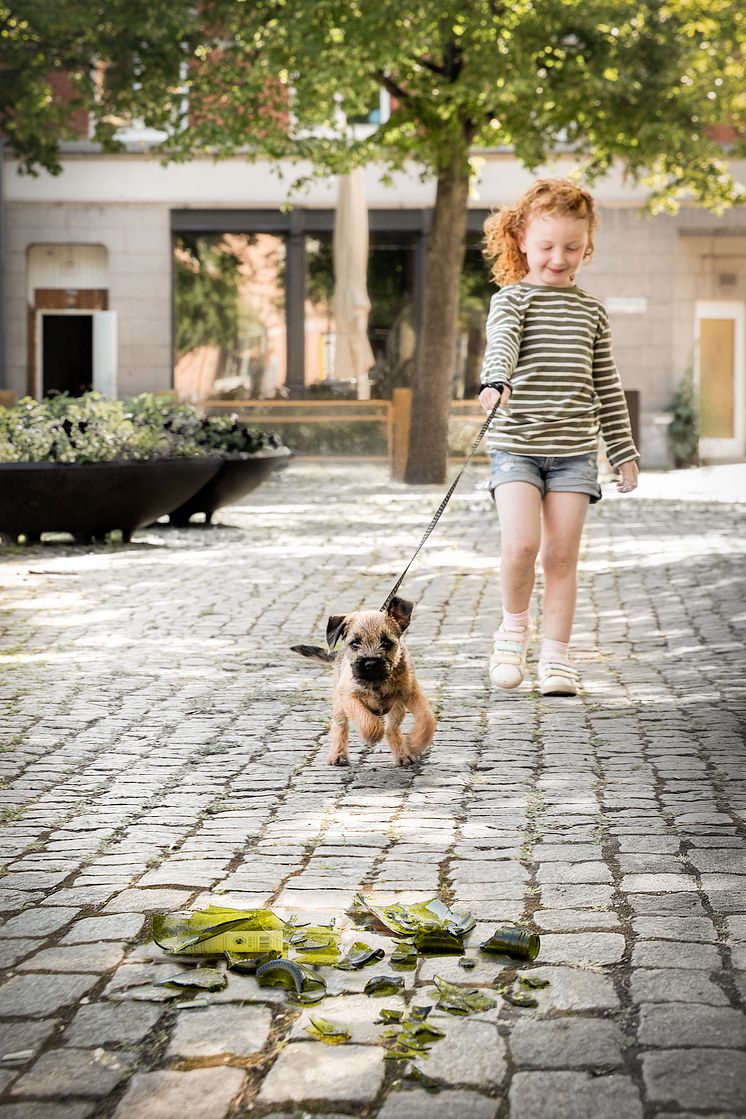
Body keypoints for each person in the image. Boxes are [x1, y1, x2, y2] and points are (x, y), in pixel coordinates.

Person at [478, 178, 639, 697]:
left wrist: (622, 451)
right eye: (547, 246)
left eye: (572, 247)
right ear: (522, 238)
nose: (558, 257)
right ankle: (512, 632)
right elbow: (501, 343)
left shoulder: (591, 311)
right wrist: (496, 379)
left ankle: (557, 657)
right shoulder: (512, 300)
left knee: (562, 558)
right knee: (522, 545)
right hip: (518, 445)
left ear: (586, 245)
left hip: (574, 453)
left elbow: (607, 384)